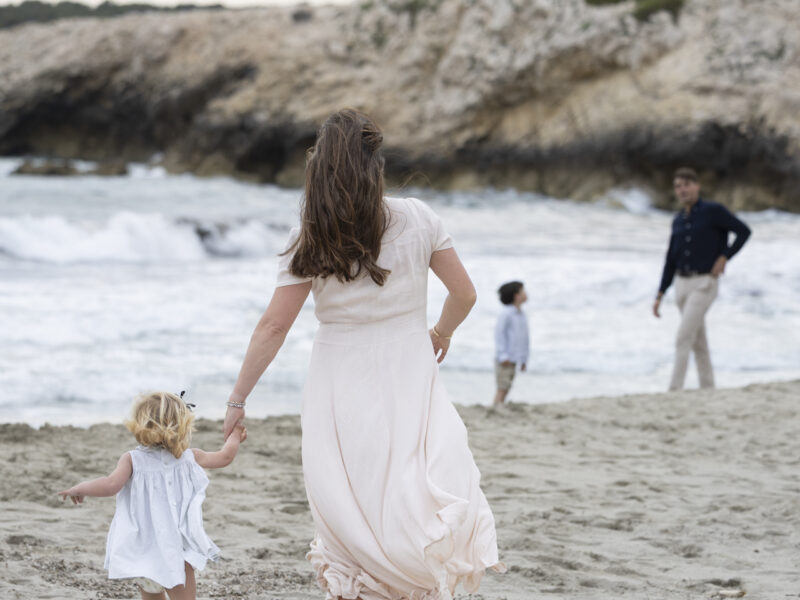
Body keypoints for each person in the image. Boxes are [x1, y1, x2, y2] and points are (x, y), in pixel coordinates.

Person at [222, 109, 503, 600]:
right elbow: (466, 295)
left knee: (349, 495)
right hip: (409, 368)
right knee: (410, 484)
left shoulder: (310, 235)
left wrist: (237, 400)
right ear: (376, 163)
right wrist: (441, 333)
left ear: (319, 168)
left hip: (339, 378)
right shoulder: (419, 218)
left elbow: (273, 327)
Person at [58, 391, 247, 600]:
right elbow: (225, 456)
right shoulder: (188, 457)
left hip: (145, 552)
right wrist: (235, 435)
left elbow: (109, 485)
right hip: (177, 552)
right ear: (182, 425)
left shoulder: (132, 460)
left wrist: (81, 488)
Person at [653, 167, 751, 391]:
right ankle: (708, 388)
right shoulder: (678, 220)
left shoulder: (713, 211)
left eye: (686, 184)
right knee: (698, 342)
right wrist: (660, 293)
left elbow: (744, 231)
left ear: (697, 186)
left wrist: (725, 256)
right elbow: (670, 258)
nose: (682, 190)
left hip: (704, 283)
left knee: (683, 337)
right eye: (678, 186)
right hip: (681, 284)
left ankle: (674, 390)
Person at [493, 281, 529, 404]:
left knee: (507, 386)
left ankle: (500, 406)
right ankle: (496, 408)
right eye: (523, 291)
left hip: (514, 358)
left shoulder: (521, 314)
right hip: (505, 359)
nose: (526, 293)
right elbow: (499, 335)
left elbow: (524, 339)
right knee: (502, 387)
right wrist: (502, 355)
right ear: (516, 295)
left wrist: (523, 359)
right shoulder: (507, 314)